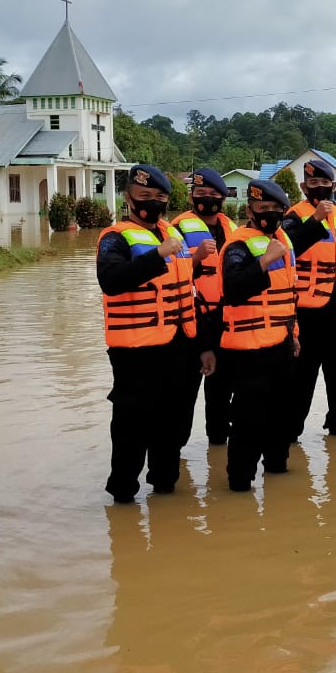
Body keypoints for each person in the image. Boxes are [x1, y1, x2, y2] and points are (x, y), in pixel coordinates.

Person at [96, 164, 215, 503]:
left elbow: (188, 295)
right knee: (131, 430)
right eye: (144, 196)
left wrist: (204, 346)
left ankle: (165, 489)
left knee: (172, 427)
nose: (152, 203)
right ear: (129, 197)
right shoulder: (114, 237)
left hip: (179, 350)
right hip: (136, 353)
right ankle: (122, 498)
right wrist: (155, 257)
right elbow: (112, 281)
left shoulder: (171, 237)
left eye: (159, 197)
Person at [217, 178, 326, 491]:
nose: (269, 214)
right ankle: (239, 482)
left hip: (281, 344)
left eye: (276, 209)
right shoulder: (238, 244)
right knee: (249, 419)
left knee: (282, 414)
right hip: (248, 348)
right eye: (262, 208)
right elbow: (233, 288)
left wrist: (294, 334)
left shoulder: (284, 240)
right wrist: (264, 261)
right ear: (250, 210)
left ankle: (277, 469)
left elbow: (288, 296)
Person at [283, 158, 336, 441]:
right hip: (305, 314)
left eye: (324, 184)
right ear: (304, 186)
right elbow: (288, 248)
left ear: (333, 186)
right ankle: (290, 435)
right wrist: (315, 219)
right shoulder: (293, 215)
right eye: (313, 184)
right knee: (300, 379)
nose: (319, 188)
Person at [171, 168, 236, 447]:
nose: (206, 199)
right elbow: (168, 275)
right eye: (200, 194)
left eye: (212, 195)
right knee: (183, 394)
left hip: (224, 320)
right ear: (191, 196)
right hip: (190, 320)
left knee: (221, 392)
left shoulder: (232, 228)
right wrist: (194, 258)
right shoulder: (177, 228)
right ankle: (174, 452)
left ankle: (218, 447)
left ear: (222, 198)